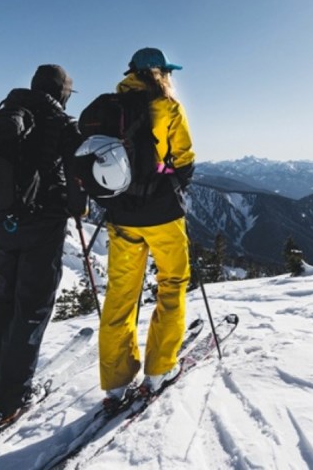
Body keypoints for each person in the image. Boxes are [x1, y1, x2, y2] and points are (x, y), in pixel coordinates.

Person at [0, 64, 85, 427]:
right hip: (42, 226)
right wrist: (76, 207)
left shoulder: (2, 117)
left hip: (1, 228)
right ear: (62, 93)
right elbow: (78, 173)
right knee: (31, 309)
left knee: (0, 308)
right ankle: (10, 400)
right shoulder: (59, 122)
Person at [97, 47, 195, 409]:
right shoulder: (167, 107)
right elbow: (184, 159)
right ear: (160, 73)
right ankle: (159, 370)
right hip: (163, 215)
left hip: (121, 217)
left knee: (121, 296)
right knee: (171, 285)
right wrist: (169, 189)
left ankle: (116, 381)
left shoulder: (109, 108)